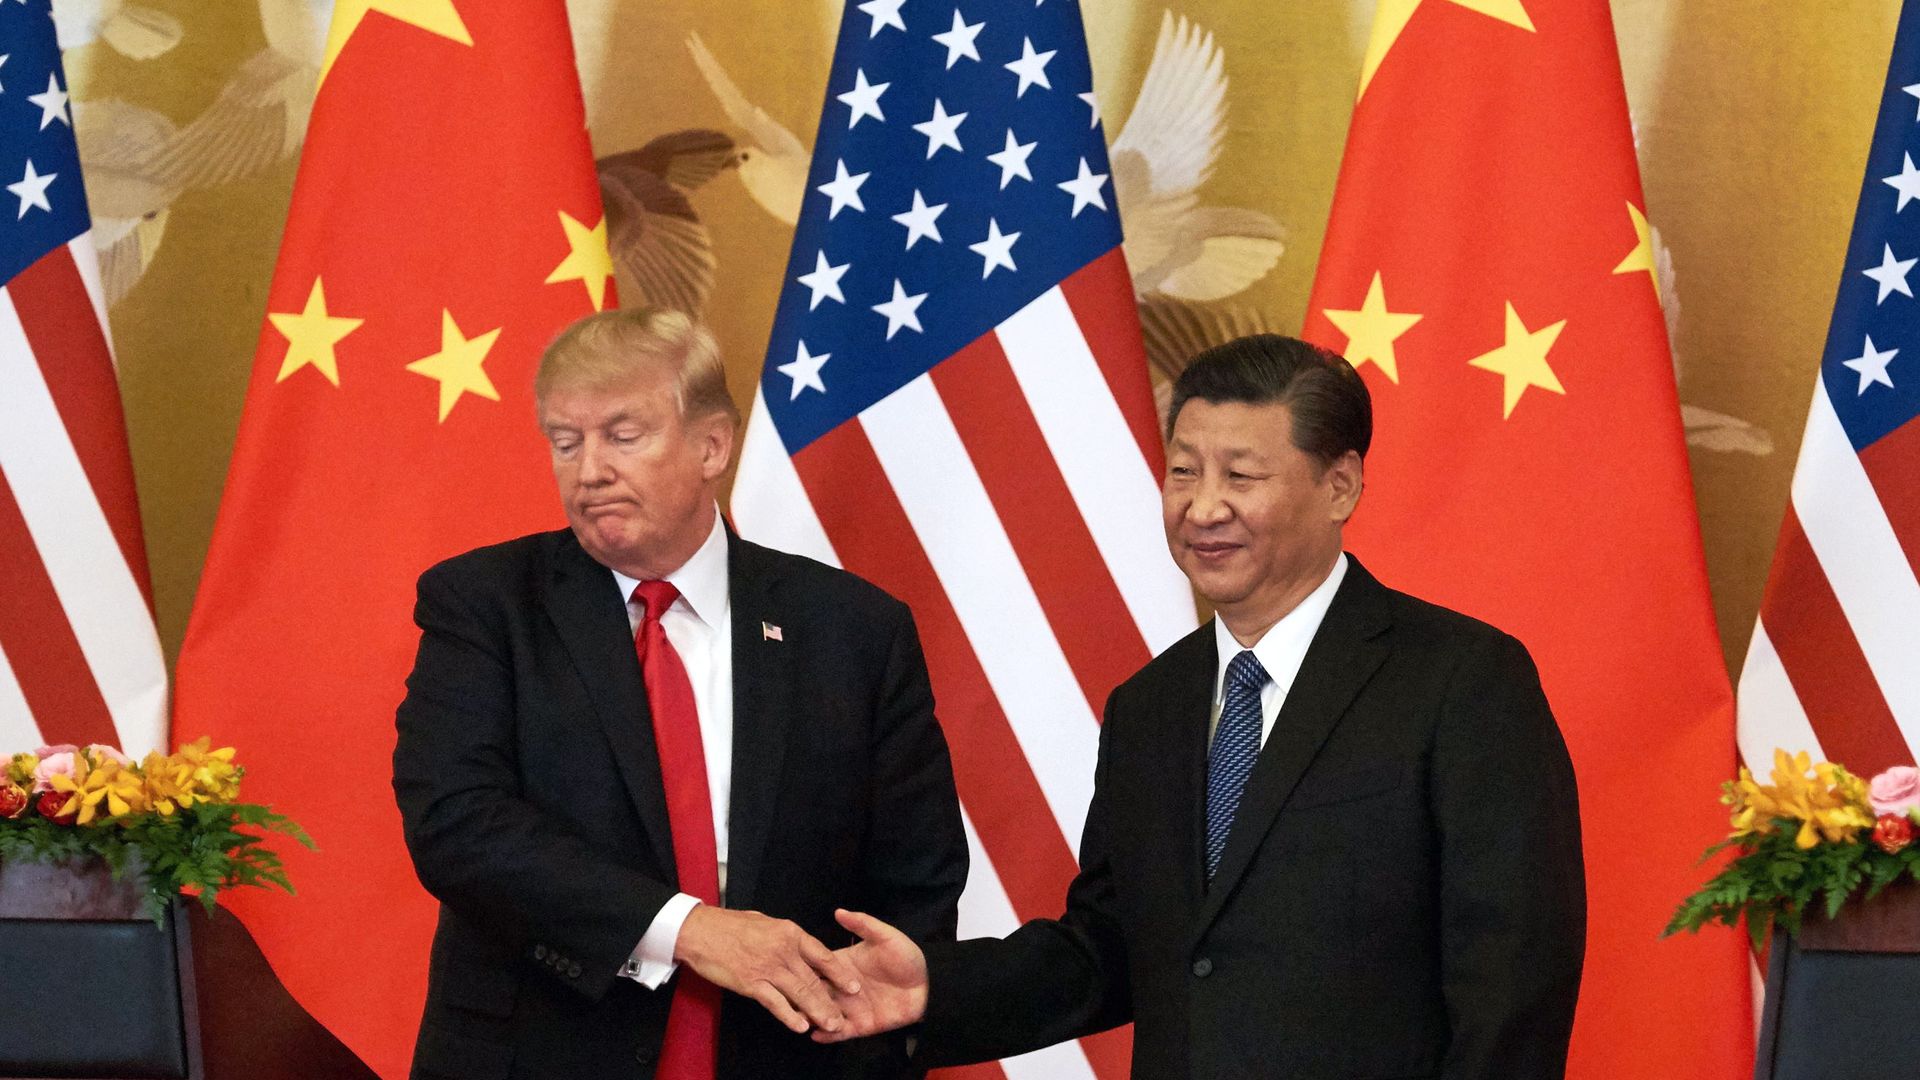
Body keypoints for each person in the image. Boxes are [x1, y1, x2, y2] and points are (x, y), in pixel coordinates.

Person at [818, 335, 1587, 1079]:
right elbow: (1111, 946)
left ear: (1340, 486)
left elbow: (1513, 983)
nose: (1203, 507)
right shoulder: (1149, 708)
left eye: (1241, 477)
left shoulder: (1463, 680)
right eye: (1183, 471)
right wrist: (936, 990)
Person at [392, 307, 967, 1079]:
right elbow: (457, 825)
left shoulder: (853, 630)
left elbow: (916, 886)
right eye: (566, 441)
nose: (588, 469)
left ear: (712, 445)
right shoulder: (486, 604)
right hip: (543, 1052)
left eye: (622, 436)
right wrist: (688, 930)